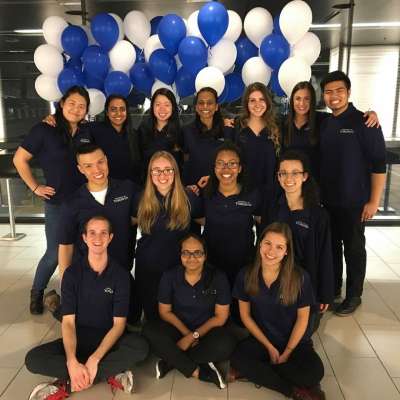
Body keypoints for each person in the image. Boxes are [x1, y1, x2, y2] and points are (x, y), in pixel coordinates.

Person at [25, 216, 149, 400]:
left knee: (140, 347)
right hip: (78, 339)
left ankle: (68, 383)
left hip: (109, 342)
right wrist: (72, 361)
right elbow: (67, 322)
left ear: (110, 238)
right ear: (84, 237)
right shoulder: (72, 274)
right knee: (32, 359)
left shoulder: (121, 276)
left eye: (103, 233)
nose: (97, 238)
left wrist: (95, 358)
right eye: (92, 233)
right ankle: (107, 372)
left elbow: (118, 325)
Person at [13, 86, 92, 315]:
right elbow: (20, 159)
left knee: (80, 251)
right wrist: (35, 187)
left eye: (82, 106)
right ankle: (37, 292)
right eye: (72, 104)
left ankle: (75, 295)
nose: (76, 109)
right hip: (57, 203)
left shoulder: (87, 130)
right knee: (54, 253)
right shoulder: (45, 129)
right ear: (61, 104)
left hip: (84, 202)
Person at [230, 222, 325, 400]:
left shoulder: (300, 277)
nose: (271, 251)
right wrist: (268, 346)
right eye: (267, 243)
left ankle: (262, 372)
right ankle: (292, 390)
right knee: (237, 358)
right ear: (259, 244)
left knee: (315, 373)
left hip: (295, 342)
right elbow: (245, 316)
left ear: (286, 251)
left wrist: (288, 351)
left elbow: (303, 319)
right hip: (262, 340)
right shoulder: (246, 274)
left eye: (279, 247)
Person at [319, 70, 386, 316]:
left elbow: (379, 164)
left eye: (339, 91)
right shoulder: (325, 122)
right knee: (332, 248)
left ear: (348, 92)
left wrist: (374, 201)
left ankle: (354, 295)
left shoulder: (365, 122)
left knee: (354, 249)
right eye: (328, 92)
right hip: (328, 200)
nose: (334, 96)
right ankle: (334, 288)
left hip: (355, 201)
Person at [56, 144, 140, 322]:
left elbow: (145, 212)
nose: (97, 169)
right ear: (80, 169)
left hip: (121, 273)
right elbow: (65, 246)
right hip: (89, 278)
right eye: (88, 166)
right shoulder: (71, 204)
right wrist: (66, 286)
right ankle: (56, 305)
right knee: (93, 324)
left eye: (100, 162)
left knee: (131, 320)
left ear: (106, 160)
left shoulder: (127, 189)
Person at [142, 233, 236, 389]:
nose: (191, 257)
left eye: (197, 253)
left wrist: (194, 335)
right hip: (178, 329)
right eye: (186, 253)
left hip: (207, 332)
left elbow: (220, 317)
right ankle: (198, 371)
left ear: (205, 255)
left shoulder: (218, 277)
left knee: (227, 343)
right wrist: (187, 335)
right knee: (149, 331)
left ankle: (171, 361)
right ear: (180, 255)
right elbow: (165, 312)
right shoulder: (170, 276)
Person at [262, 150, 334, 332]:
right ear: (278, 177)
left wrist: (325, 294)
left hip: (305, 285)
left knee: (302, 337)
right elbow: (262, 246)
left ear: (305, 176)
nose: (289, 178)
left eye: (295, 173)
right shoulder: (272, 209)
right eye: (283, 173)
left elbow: (326, 255)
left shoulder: (318, 215)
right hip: (275, 282)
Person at [134, 150, 200, 320]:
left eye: (167, 169)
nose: (162, 175)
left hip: (179, 266)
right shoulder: (140, 199)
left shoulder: (189, 197)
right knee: (152, 313)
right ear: (150, 174)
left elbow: (205, 223)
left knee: (178, 313)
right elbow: (126, 224)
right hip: (148, 267)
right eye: (156, 170)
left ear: (175, 172)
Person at [281, 81, 380, 180]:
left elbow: (345, 116)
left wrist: (370, 113)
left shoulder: (323, 120)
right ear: (292, 101)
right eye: (298, 98)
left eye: (307, 99)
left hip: (315, 183)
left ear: (312, 101)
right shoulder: (282, 123)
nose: (302, 103)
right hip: (289, 182)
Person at [42, 94, 141, 183]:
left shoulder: (135, 134)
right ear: (107, 112)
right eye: (113, 109)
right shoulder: (94, 128)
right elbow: (72, 122)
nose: (118, 113)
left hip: (131, 187)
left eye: (122, 109)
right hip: (104, 187)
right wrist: (56, 118)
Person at [201, 141, 261, 286]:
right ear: (214, 168)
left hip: (243, 267)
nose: (226, 169)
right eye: (220, 163)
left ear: (240, 168)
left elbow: (262, 225)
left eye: (232, 163)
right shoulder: (205, 194)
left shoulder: (252, 195)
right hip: (211, 267)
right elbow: (198, 219)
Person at [182, 87, 235, 187]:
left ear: (216, 107)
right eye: (201, 103)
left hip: (221, 188)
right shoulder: (186, 131)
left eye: (210, 103)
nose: (205, 106)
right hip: (194, 189)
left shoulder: (228, 130)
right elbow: (184, 163)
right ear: (196, 107)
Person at [235, 82, 280, 193]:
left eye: (262, 99)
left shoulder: (276, 127)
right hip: (243, 191)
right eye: (252, 100)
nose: (257, 104)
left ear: (267, 102)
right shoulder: (237, 126)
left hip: (270, 192)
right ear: (246, 103)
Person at [136, 88, 182, 180]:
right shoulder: (143, 129)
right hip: (147, 183)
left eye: (167, 105)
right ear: (152, 106)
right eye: (158, 104)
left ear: (173, 107)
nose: (162, 109)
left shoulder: (180, 131)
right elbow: (138, 161)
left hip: (173, 183)